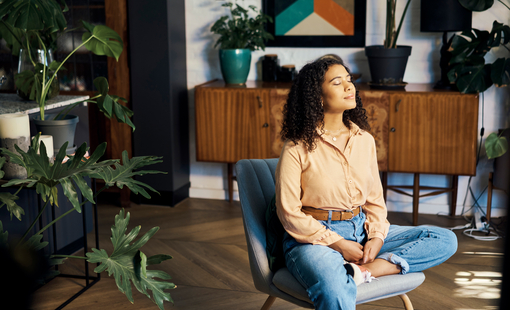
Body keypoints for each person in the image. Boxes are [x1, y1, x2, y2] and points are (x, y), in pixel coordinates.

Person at [275, 56, 458, 310]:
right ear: (317, 96)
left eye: (349, 81)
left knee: (444, 238)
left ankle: (364, 271)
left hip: (361, 230)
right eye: (338, 83)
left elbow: (374, 201)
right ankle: (350, 272)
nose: (350, 87)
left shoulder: (365, 141)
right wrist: (338, 244)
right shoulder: (297, 147)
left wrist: (376, 238)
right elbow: (288, 213)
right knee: (333, 287)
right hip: (313, 239)